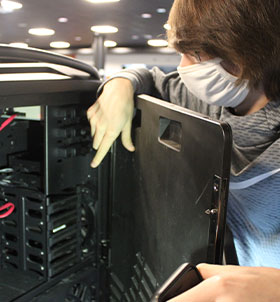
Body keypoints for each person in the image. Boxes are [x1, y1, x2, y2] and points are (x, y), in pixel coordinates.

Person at [87, 0, 280, 300]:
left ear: (245, 53)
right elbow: (150, 78)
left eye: (195, 54)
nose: (184, 67)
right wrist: (120, 84)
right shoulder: (212, 101)